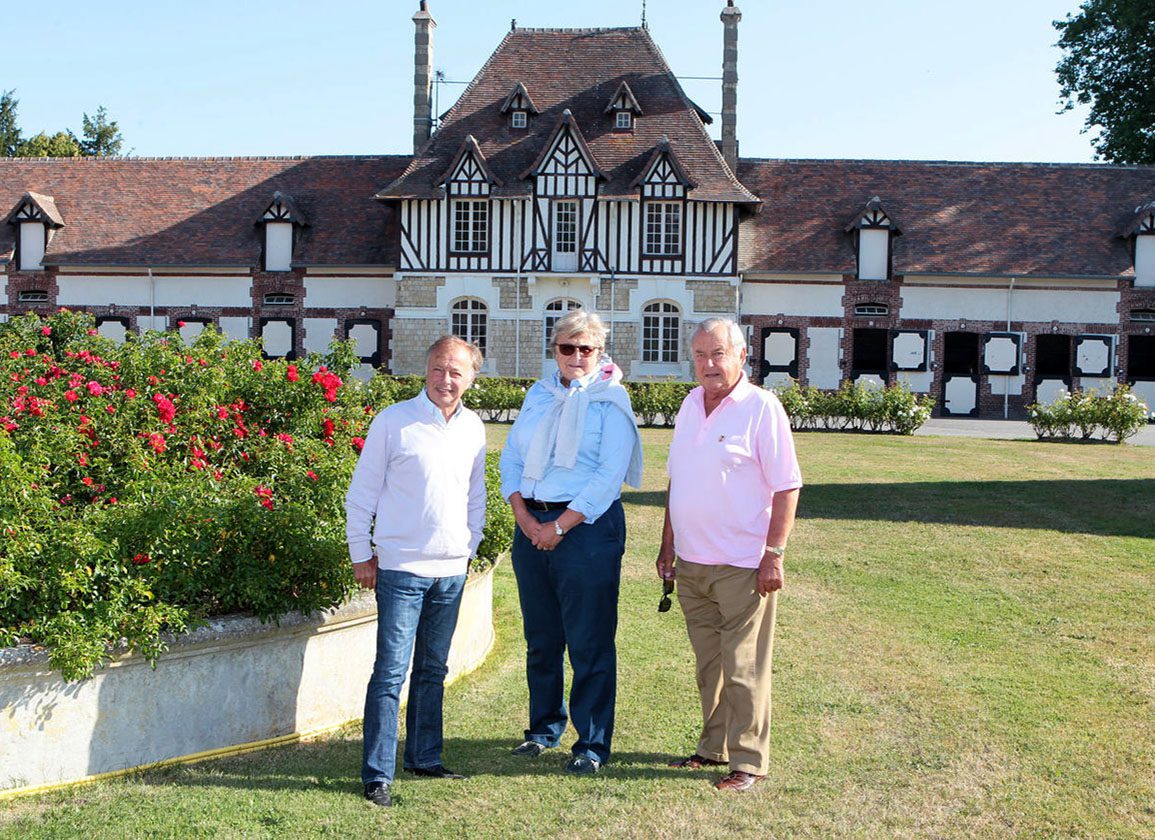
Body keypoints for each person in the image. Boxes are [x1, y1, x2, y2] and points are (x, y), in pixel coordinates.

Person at [656, 317, 802, 792]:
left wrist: (773, 555)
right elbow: (679, 479)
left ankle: (750, 760)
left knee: (743, 667)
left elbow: (787, 486)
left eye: (718, 354)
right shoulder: (689, 404)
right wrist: (667, 545)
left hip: (743, 564)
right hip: (693, 563)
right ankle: (712, 747)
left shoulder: (762, 408)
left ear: (742, 356)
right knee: (710, 667)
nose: (709, 364)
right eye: (700, 355)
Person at [345, 335, 487, 807]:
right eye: (438, 369)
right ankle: (377, 774)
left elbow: (475, 495)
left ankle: (424, 757)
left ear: (471, 378)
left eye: (456, 371)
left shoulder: (473, 428)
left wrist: (469, 546)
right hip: (401, 568)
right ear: (425, 371)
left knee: (432, 669)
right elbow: (362, 492)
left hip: (451, 571)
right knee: (390, 673)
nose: (446, 379)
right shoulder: (394, 421)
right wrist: (360, 553)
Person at [499, 309, 643, 775]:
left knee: (589, 641)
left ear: (600, 353)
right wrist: (524, 517)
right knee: (541, 637)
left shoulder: (611, 400)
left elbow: (608, 477)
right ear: (554, 350)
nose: (576, 356)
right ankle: (543, 728)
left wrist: (559, 526)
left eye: (586, 348)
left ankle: (592, 745)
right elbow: (511, 459)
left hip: (586, 531)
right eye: (567, 347)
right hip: (531, 525)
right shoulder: (538, 396)